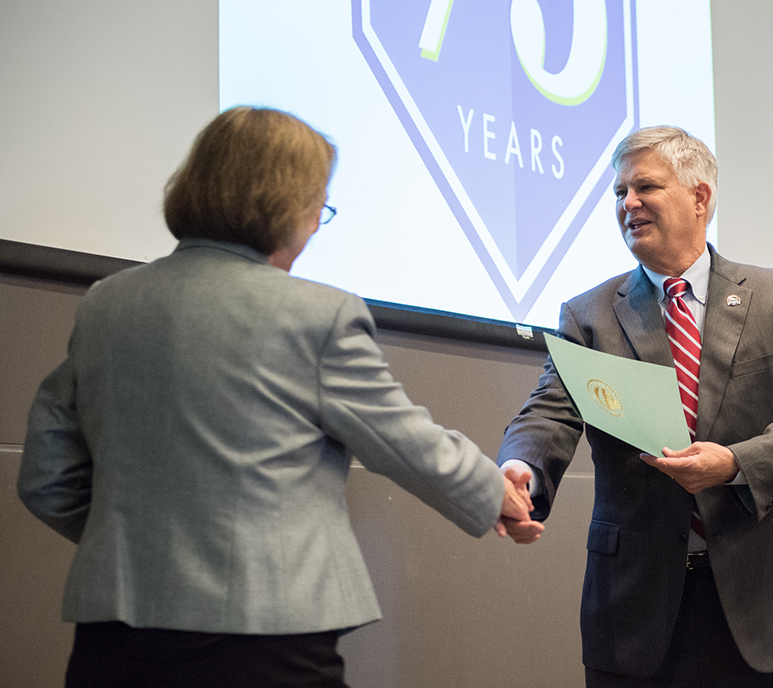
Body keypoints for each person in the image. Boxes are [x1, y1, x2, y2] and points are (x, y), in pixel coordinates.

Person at [18, 106, 538, 688]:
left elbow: (46, 477)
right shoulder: (316, 314)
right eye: (318, 208)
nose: (316, 225)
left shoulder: (105, 306)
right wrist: (497, 492)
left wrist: (132, 546)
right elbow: (403, 439)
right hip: (264, 638)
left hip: (112, 635)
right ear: (287, 206)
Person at [497, 126, 773, 687]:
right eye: (619, 193)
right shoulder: (589, 314)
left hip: (768, 606)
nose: (628, 204)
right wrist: (521, 469)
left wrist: (735, 463)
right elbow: (549, 411)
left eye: (646, 187)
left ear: (700, 198)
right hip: (635, 616)